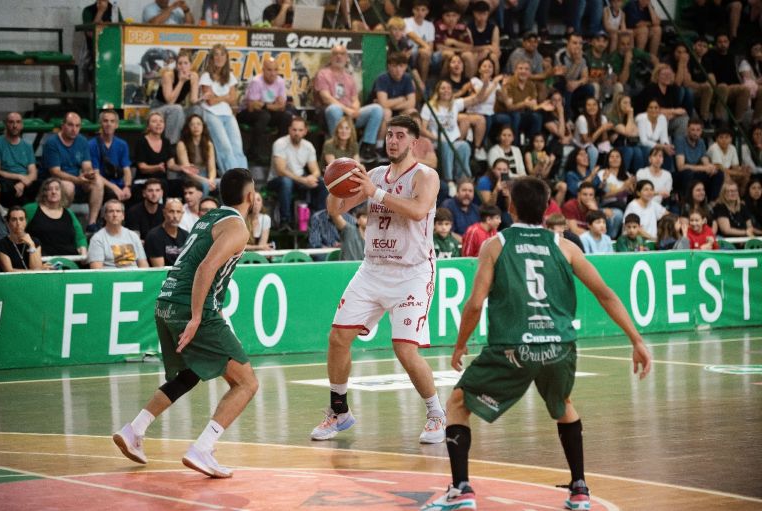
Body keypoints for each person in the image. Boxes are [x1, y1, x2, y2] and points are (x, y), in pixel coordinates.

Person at [421, 176, 652, 511]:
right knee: (563, 405)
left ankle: (460, 490)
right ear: (546, 209)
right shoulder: (566, 246)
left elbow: (475, 304)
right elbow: (605, 294)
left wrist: (460, 345)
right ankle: (580, 489)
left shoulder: (495, 245)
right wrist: (637, 340)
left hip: (513, 348)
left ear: (511, 207)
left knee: (457, 403)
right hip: (559, 346)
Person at [113, 168, 259, 478]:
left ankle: (134, 429)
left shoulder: (209, 218)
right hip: (190, 307)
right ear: (250, 196)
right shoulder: (237, 227)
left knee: (190, 373)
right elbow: (206, 268)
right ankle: (202, 448)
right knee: (246, 383)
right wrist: (196, 317)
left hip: (165, 302)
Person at [309, 115, 446, 444]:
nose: (393, 141)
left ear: (414, 142)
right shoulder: (373, 175)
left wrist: (377, 194)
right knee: (338, 338)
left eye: (400, 136)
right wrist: (335, 183)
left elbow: (418, 210)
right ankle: (339, 412)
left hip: (412, 272)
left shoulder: (426, 176)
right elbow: (337, 209)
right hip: (373, 269)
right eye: (389, 135)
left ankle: (436, 415)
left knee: (405, 350)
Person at [314, 45, 384, 162]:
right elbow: (326, 98)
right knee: (334, 109)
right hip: (330, 114)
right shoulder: (323, 74)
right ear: (331, 57)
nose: (339, 57)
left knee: (377, 109)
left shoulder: (349, 77)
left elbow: (355, 98)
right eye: (335, 54)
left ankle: (366, 147)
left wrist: (356, 107)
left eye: (342, 54)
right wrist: (347, 110)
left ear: (347, 58)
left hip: (350, 114)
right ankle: (338, 147)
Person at [43, 112, 104, 231]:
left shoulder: (82, 141)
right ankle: (60, 221)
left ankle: (92, 224)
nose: (74, 129)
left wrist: (89, 174)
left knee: (98, 181)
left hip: (77, 179)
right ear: (63, 125)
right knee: (68, 186)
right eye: (70, 125)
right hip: (55, 180)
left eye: (77, 126)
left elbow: (87, 165)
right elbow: (55, 172)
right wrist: (77, 180)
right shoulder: (52, 143)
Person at [267, 117, 326, 231]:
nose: (297, 133)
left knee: (322, 183)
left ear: (305, 131)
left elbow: (316, 170)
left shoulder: (308, 146)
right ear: (289, 130)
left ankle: (318, 220)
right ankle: (285, 221)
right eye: (294, 130)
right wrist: (304, 180)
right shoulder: (280, 143)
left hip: (299, 179)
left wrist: (312, 177)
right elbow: (281, 170)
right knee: (286, 182)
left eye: (300, 130)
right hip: (277, 180)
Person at [199, 44, 248, 174]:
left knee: (237, 147)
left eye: (222, 54)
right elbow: (210, 101)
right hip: (211, 113)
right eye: (216, 54)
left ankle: (244, 177)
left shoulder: (230, 76)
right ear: (211, 58)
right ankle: (232, 177)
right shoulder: (206, 76)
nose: (219, 57)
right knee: (225, 147)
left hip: (228, 114)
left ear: (226, 57)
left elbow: (233, 98)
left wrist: (219, 97)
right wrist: (225, 97)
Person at [236, 56, 292, 165]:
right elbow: (252, 106)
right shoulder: (257, 81)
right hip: (246, 113)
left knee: (286, 117)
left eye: (275, 70)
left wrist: (264, 105)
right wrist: (272, 105)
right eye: (269, 70)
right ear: (263, 70)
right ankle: (253, 153)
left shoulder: (280, 81)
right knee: (264, 116)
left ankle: (280, 152)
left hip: (267, 112)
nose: (273, 73)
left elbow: (282, 106)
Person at [24, 178, 88, 257]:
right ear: (44, 192)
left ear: (62, 193)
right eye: (50, 189)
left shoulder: (69, 212)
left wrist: (82, 248)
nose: (54, 192)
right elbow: (18, 230)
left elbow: (80, 237)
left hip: (68, 259)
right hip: (41, 259)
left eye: (57, 189)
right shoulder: (30, 209)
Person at [87, 200, 149, 269]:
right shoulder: (97, 239)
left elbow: (143, 265)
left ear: (123, 216)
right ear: (105, 216)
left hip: (135, 275)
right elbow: (97, 270)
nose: (115, 215)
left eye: (118, 211)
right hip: (112, 275)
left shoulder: (133, 236)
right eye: (111, 211)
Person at [0, 112, 38, 207]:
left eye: (18, 122)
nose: (15, 126)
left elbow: (33, 173)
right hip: (7, 180)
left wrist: (22, 183)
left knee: (40, 185)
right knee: (6, 187)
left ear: (22, 125)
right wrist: (19, 177)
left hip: (25, 181)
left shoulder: (27, 145)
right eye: (11, 122)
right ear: (6, 124)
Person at [88, 109, 133, 203]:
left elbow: (127, 170)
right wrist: (114, 187)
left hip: (119, 183)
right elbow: (95, 174)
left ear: (116, 125)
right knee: (111, 194)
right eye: (105, 121)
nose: (109, 124)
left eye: (112, 121)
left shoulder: (122, 144)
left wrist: (127, 187)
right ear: (100, 124)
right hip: (101, 184)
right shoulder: (91, 144)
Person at [134, 112, 181, 197]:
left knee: (180, 184)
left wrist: (183, 168)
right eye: (154, 121)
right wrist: (157, 167)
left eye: (161, 121)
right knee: (161, 185)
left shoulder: (166, 142)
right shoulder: (141, 141)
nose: (158, 124)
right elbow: (142, 167)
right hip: (144, 180)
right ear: (148, 126)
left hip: (161, 181)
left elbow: (171, 165)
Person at [674, 119, 723, 201]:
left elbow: (705, 162)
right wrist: (703, 168)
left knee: (718, 173)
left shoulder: (701, 142)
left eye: (698, 130)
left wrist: (711, 168)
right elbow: (680, 167)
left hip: (695, 173)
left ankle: (712, 202)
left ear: (701, 131)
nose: (695, 133)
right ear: (687, 130)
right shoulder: (680, 140)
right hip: (682, 175)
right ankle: (687, 202)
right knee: (688, 173)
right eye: (692, 130)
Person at [175, 114, 218, 196]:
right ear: (188, 128)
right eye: (192, 124)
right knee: (204, 185)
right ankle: (201, 204)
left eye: (198, 124)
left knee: (223, 184)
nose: (196, 127)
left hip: (206, 176)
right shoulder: (182, 144)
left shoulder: (208, 144)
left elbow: (212, 168)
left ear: (203, 127)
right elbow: (188, 171)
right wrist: (207, 181)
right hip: (189, 177)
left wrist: (211, 180)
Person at [434, 4, 476, 78]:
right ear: (443, 16)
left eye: (454, 15)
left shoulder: (462, 26)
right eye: (447, 15)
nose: (451, 19)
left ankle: (469, 82)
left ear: (458, 16)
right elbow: (439, 47)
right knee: (450, 54)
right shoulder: (438, 26)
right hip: (441, 55)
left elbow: (470, 47)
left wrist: (454, 42)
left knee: (469, 55)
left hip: (458, 52)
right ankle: (444, 81)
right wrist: (459, 50)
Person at [0, 206, 42, 272]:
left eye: (21, 219)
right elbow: (9, 271)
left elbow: (37, 269)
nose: (18, 223)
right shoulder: (1, 244)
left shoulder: (35, 241)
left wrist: (31, 245)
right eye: (14, 220)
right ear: (7, 223)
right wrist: (34, 270)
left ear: (26, 221)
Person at [145, 198, 188, 267]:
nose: (175, 216)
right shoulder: (154, 236)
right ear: (164, 213)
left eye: (178, 212)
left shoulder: (186, 235)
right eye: (171, 211)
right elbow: (159, 268)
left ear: (182, 214)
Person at [707, 128, 750, 192]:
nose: (724, 140)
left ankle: (742, 195)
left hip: (727, 172)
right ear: (716, 139)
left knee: (747, 172)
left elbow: (735, 167)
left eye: (727, 137)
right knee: (726, 176)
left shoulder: (732, 148)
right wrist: (739, 173)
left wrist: (742, 170)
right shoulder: (714, 147)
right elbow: (720, 168)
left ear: (731, 139)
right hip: (714, 174)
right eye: (721, 137)